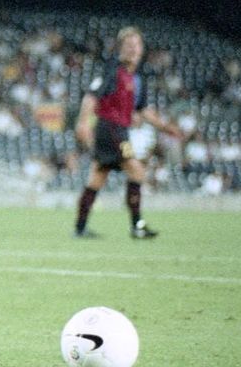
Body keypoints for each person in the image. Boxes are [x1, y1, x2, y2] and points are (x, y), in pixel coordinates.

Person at [73, 27, 184, 239]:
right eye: (129, 45)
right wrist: (83, 122)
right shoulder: (113, 71)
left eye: (137, 45)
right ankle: (137, 226)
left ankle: (80, 227)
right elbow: (91, 95)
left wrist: (166, 127)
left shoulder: (137, 79)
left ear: (142, 49)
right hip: (111, 129)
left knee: (97, 178)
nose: (133, 49)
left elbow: (144, 110)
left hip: (117, 130)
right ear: (120, 49)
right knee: (137, 171)